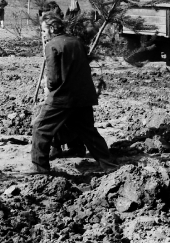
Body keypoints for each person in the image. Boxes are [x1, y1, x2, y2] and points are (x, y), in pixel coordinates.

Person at [30, 13, 117, 174]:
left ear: (51, 29)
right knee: (88, 131)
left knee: (40, 128)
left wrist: (47, 86)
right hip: (84, 95)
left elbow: (54, 79)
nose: (43, 34)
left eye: (43, 31)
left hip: (63, 97)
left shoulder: (52, 46)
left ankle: (40, 168)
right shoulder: (77, 42)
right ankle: (108, 164)